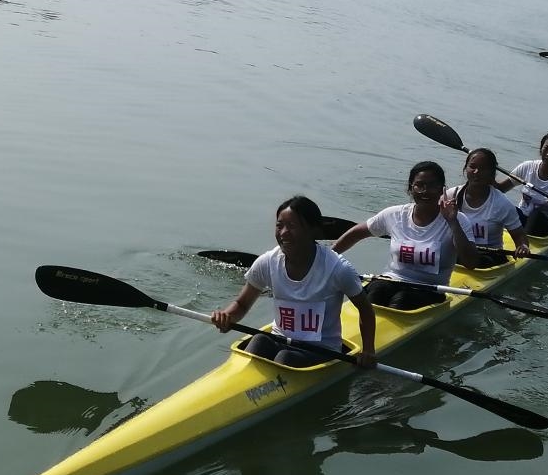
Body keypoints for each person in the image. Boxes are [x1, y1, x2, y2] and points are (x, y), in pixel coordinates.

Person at [211, 196, 377, 369]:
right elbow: (242, 304)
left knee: (285, 358)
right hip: (281, 340)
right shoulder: (267, 262)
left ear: (313, 231)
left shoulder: (338, 268)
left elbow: (365, 310)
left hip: (322, 350)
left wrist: (368, 351)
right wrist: (227, 317)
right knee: (259, 340)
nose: (283, 233)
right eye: (279, 225)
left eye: (292, 226)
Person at [332, 161, 478, 310]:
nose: (425, 191)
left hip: (431, 289)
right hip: (391, 281)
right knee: (375, 291)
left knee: (401, 300)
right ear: (410, 189)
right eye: (419, 185)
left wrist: (452, 222)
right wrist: (328, 257)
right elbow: (357, 233)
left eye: (432, 185)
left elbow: (470, 263)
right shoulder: (395, 214)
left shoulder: (458, 219)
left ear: (442, 190)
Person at [446, 148, 530, 267]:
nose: (476, 172)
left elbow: (520, 237)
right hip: (458, 252)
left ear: (492, 173)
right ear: (466, 169)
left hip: (489, 257)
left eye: (483, 169)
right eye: (472, 167)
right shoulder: (451, 195)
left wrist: (523, 247)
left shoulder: (501, 203)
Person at [496, 130, 548, 237]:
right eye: (546, 148)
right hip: (523, 219)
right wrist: (487, 177)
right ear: (541, 149)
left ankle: (523, 245)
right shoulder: (527, 167)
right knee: (504, 206)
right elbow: (500, 189)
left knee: (535, 214)